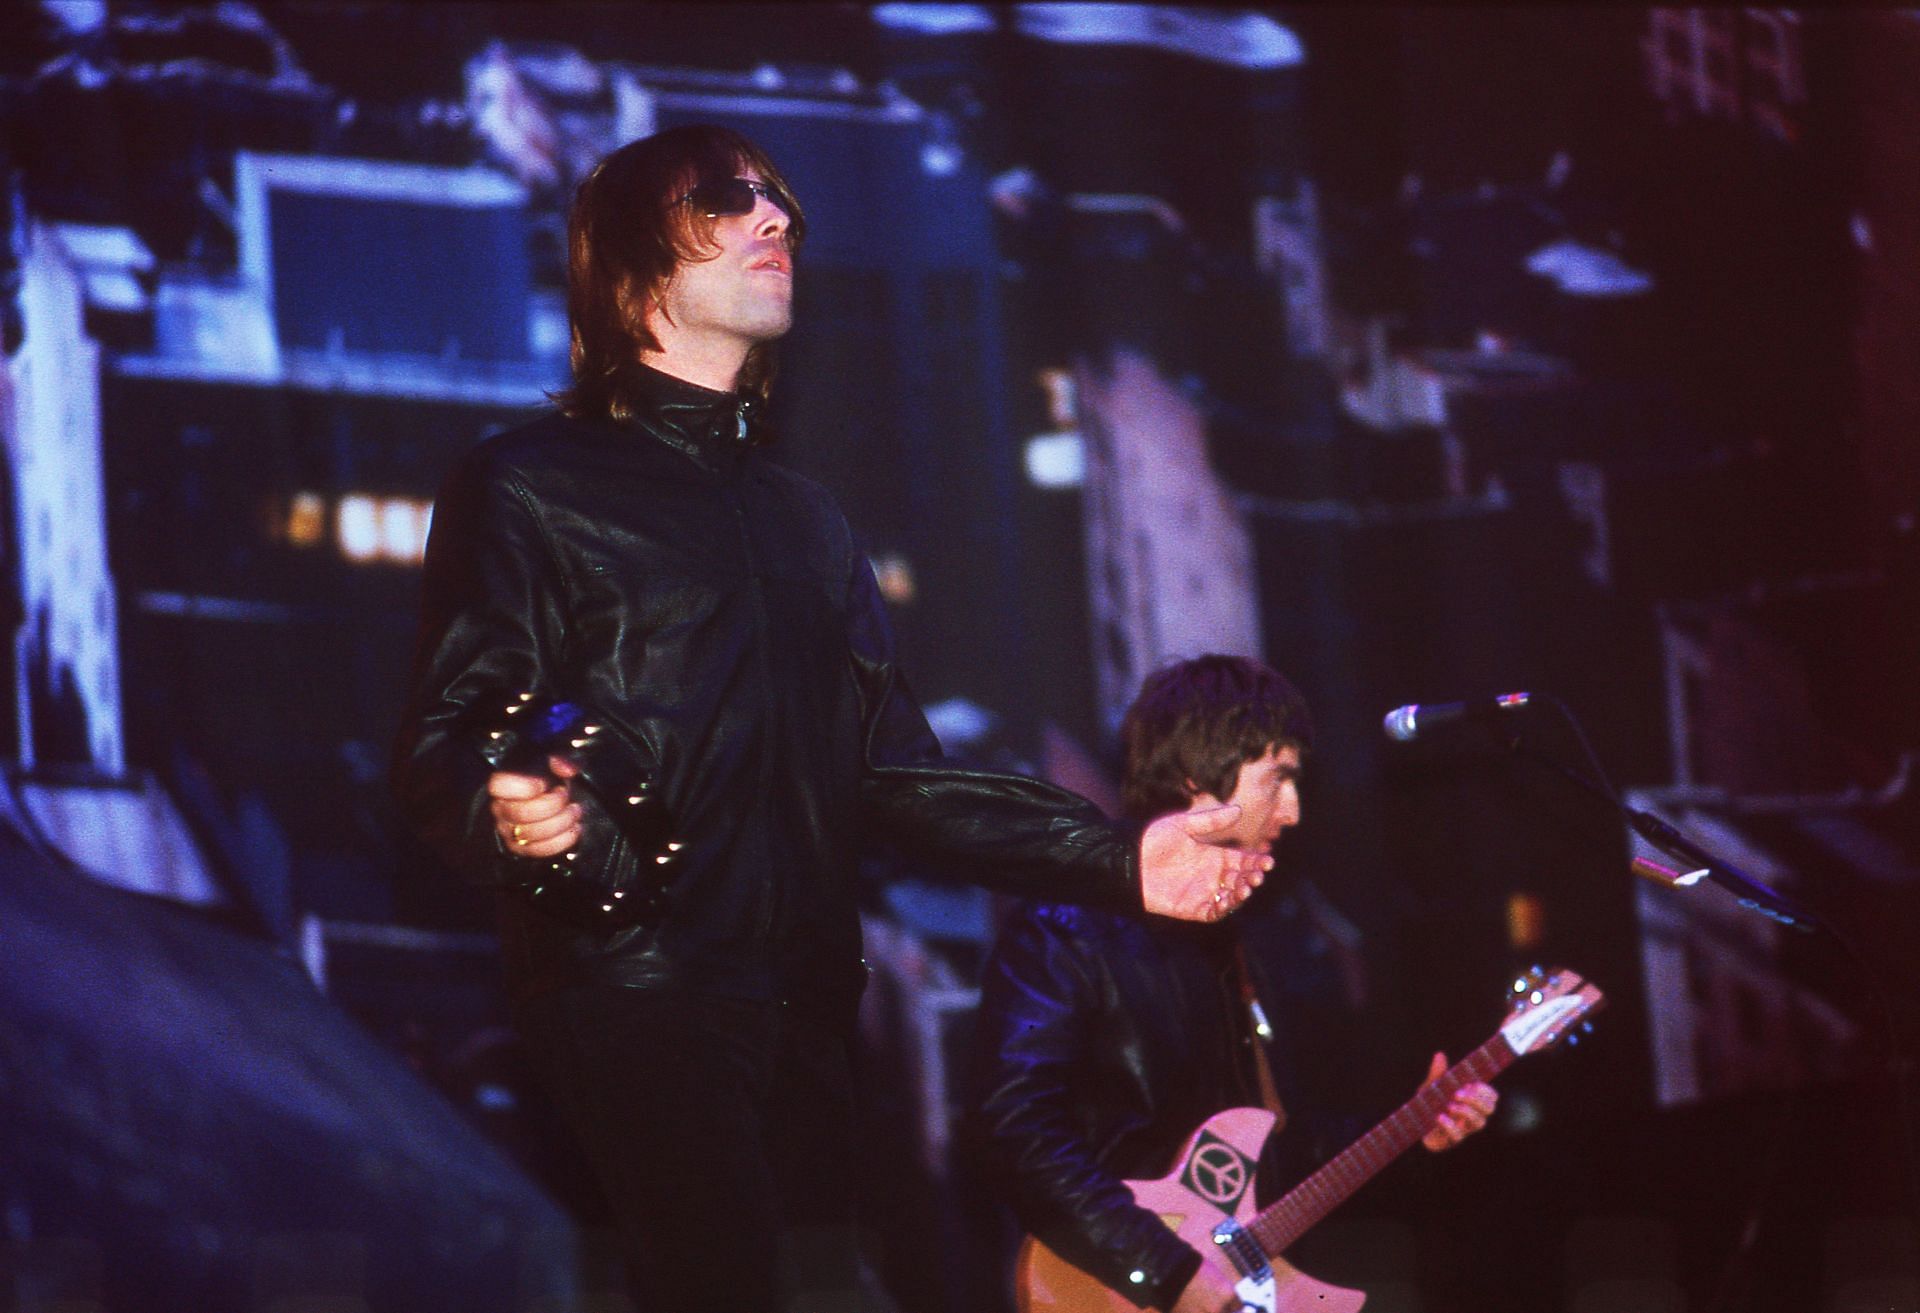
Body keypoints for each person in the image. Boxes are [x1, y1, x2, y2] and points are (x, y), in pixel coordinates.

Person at [390, 125, 1269, 1313]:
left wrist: (1122, 856)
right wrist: (515, 807)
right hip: (636, 979)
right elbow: (449, 740)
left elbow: (897, 776)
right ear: (637, 267)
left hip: (805, 1005)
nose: (775, 222)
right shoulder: (531, 484)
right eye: (727, 199)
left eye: (780, 202)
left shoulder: (808, 521)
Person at [967, 655, 1499, 1313]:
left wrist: (1415, 1127)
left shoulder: (1239, 946)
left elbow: (1274, 1154)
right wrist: (1164, 1269)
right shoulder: (1066, 928)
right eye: (1278, 780)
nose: (1295, 810)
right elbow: (1015, 1130)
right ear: (1199, 776)